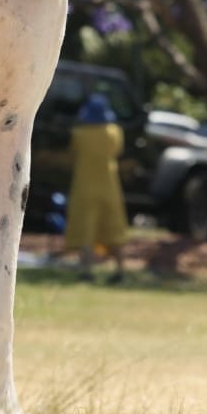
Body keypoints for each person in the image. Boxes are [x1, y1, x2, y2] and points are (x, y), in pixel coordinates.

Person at [64, 92, 128, 282]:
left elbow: (71, 155)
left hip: (84, 188)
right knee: (114, 230)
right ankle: (120, 272)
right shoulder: (114, 133)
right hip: (110, 187)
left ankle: (87, 271)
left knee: (86, 231)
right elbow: (118, 152)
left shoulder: (79, 135)